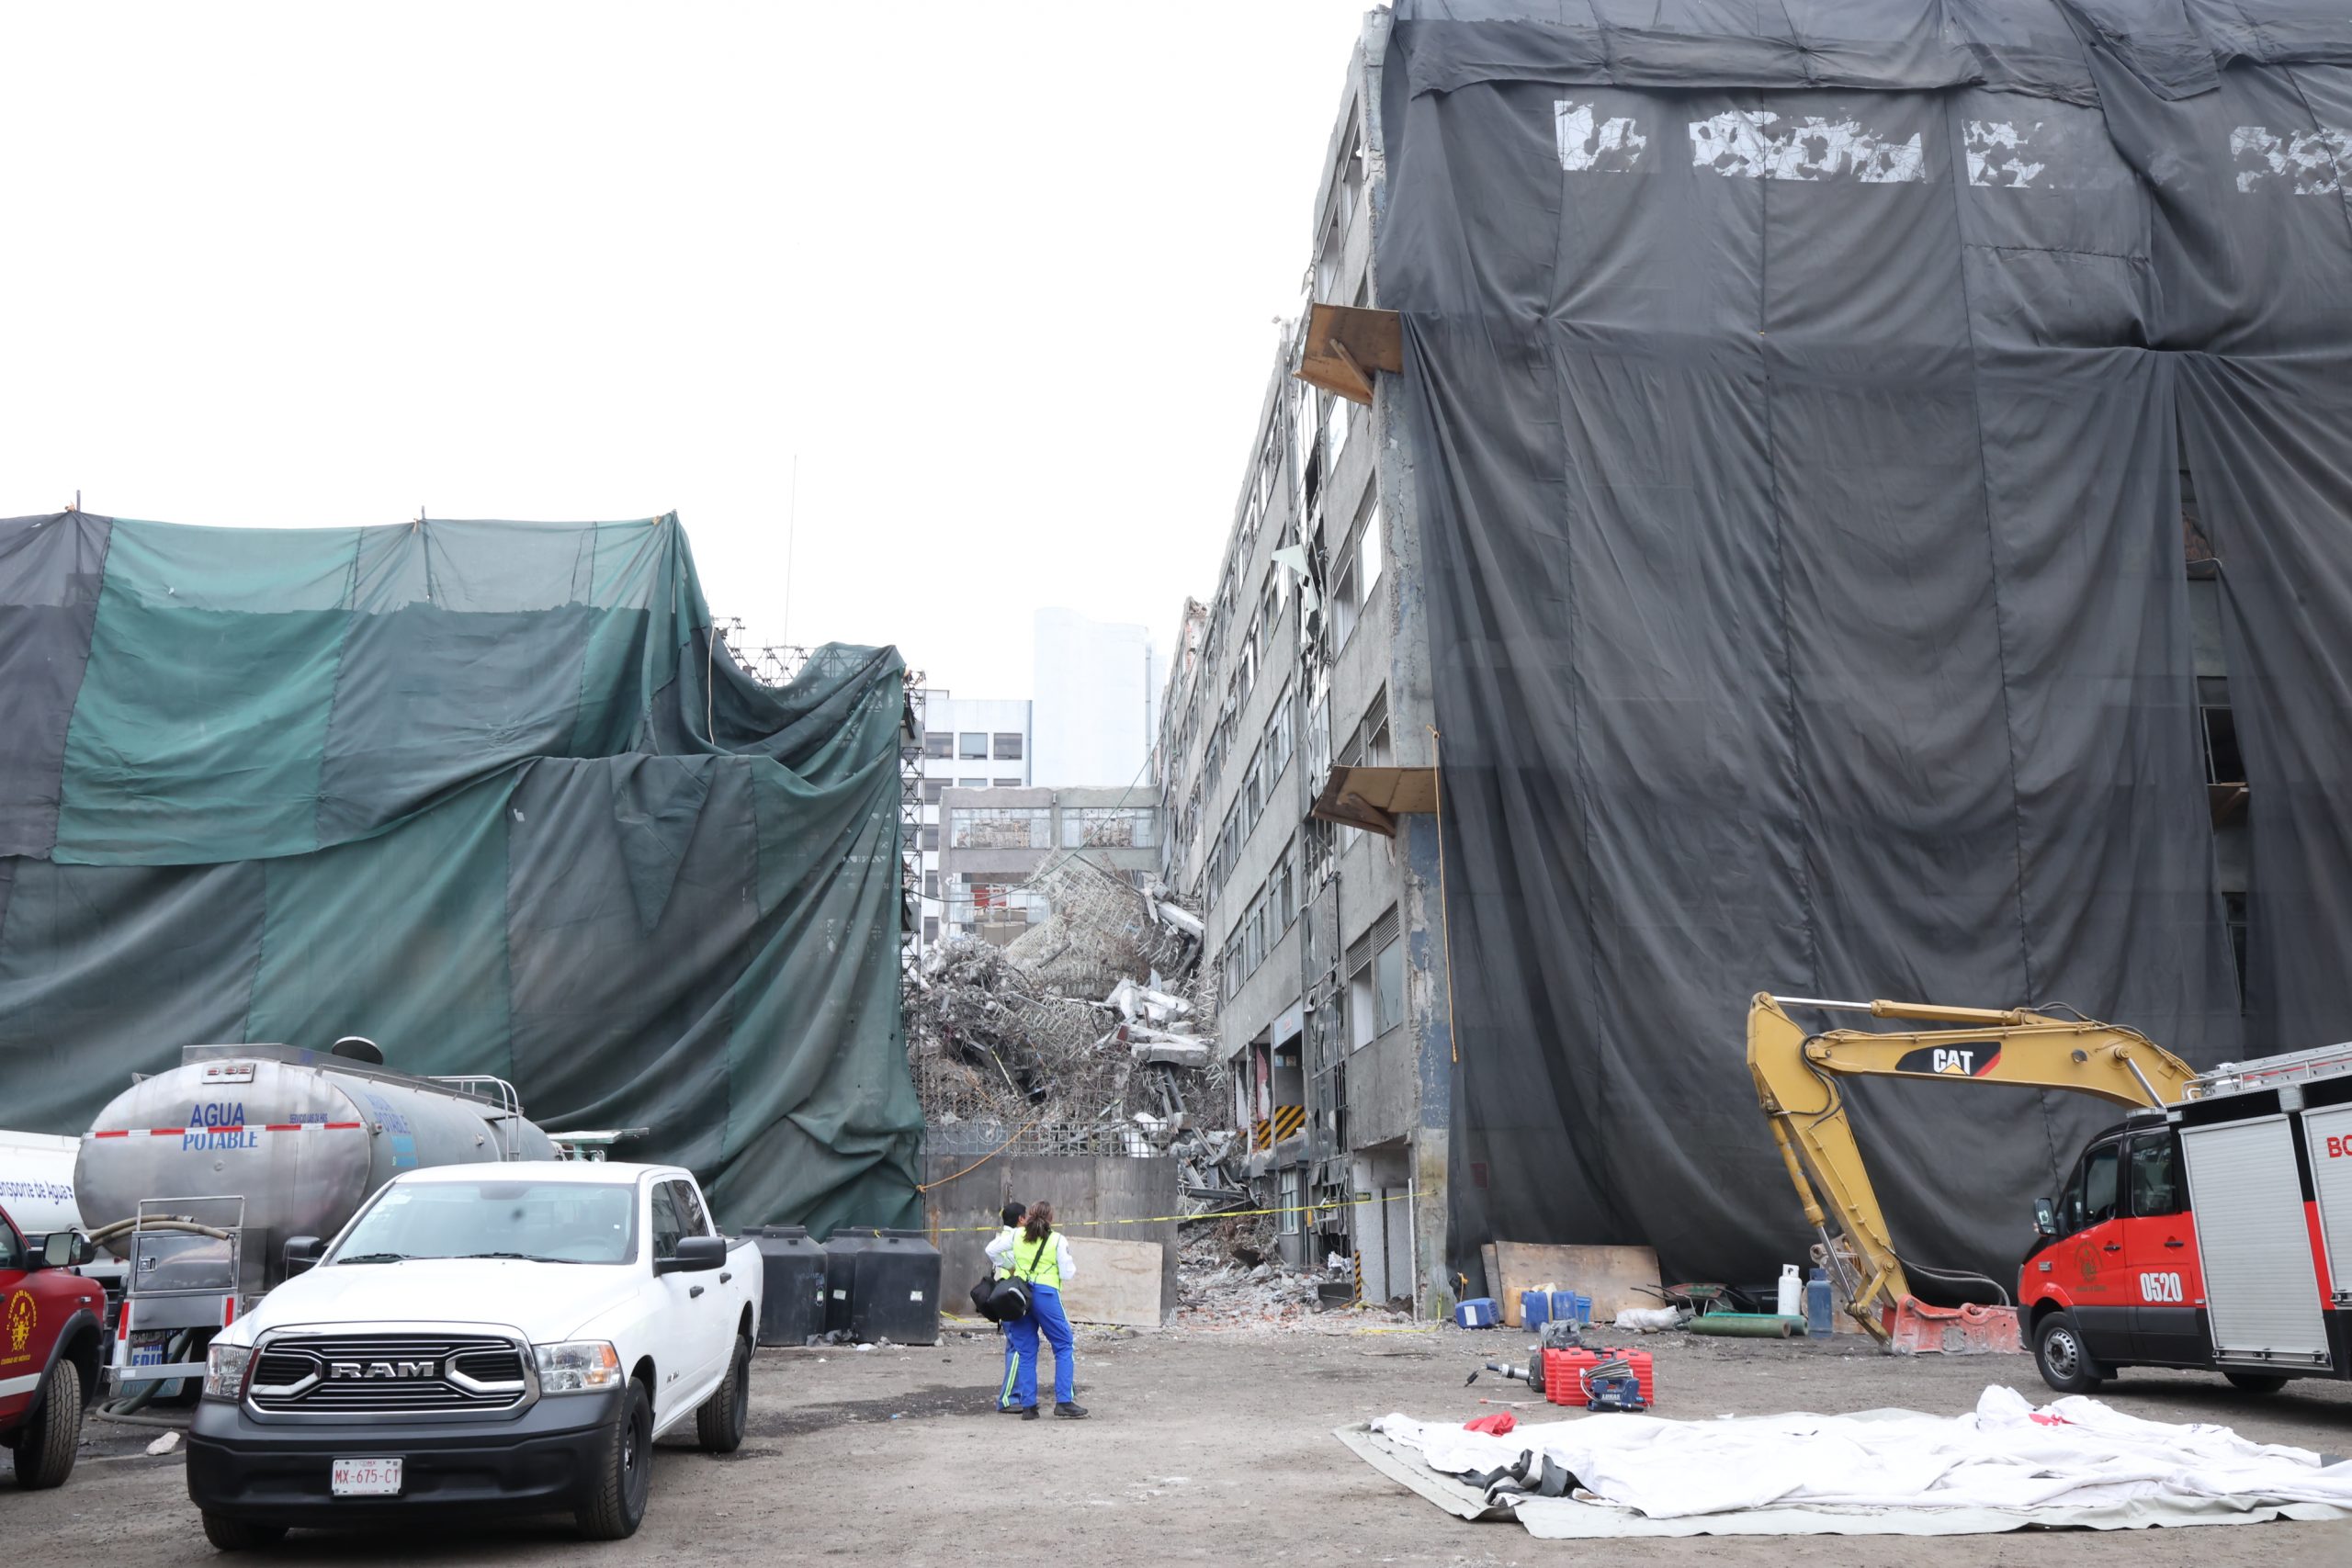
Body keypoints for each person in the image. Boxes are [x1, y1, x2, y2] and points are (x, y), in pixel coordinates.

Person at [986, 1201, 1087, 1419]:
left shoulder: (1017, 1236)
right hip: (1046, 1295)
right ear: (1051, 1218)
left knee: (1026, 1350)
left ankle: (1028, 1406)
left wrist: (1008, 1264)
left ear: (1028, 1217)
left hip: (1021, 1296)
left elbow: (991, 1250)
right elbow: (1068, 1273)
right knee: (1063, 1345)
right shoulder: (1057, 1240)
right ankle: (1064, 1401)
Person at [991, 1200, 1027, 1413]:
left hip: (1004, 1297)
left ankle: (1016, 1394)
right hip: (1011, 1297)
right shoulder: (1013, 1239)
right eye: (1027, 1217)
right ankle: (1008, 1398)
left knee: (1014, 1347)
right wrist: (1012, 1268)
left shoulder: (1002, 1237)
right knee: (1018, 1349)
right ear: (1021, 1219)